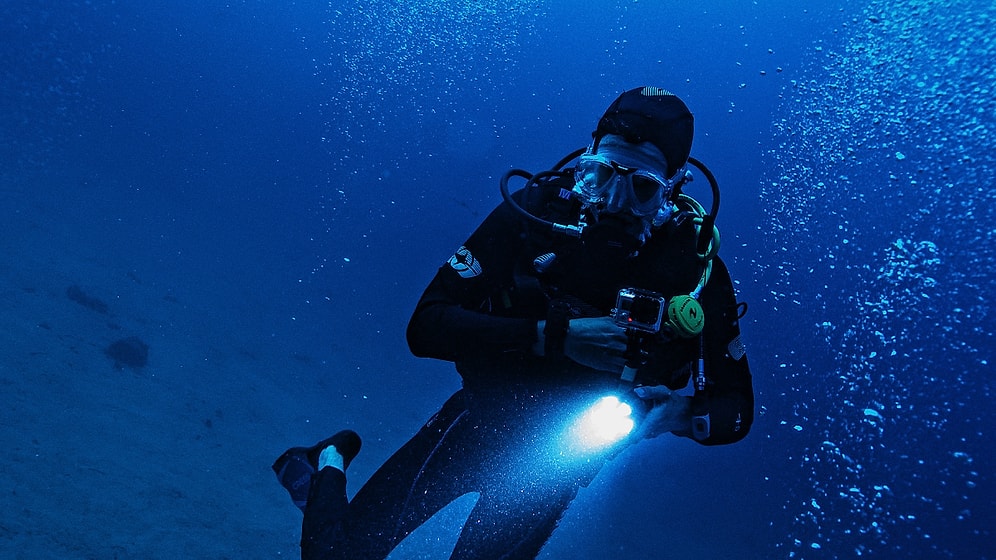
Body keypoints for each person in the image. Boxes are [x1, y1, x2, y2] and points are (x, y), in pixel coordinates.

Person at [272, 86, 755, 559]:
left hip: (558, 466)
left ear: (672, 188)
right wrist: (556, 337)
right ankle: (328, 460)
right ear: (585, 159)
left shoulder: (694, 267)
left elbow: (737, 409)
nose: (613, 201)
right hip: (478, 420)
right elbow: (425, 326)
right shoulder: (536, 213)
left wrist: (675, 414)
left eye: (642, 188)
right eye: (600, 176)